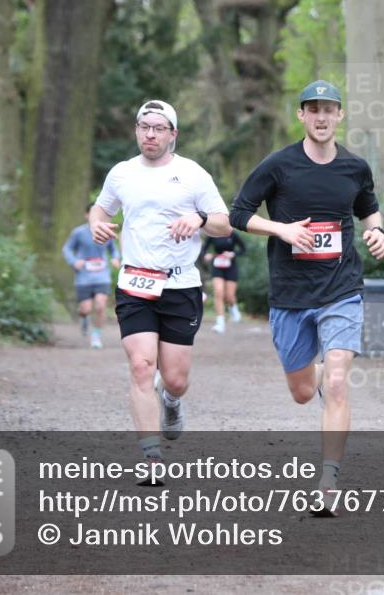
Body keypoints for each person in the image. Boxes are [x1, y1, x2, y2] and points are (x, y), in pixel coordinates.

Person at [229, 80, 384, 516]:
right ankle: (312, 374)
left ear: (339, 115)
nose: (321, 117)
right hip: (291, 295)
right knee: (303, 392)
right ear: (300, 115)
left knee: (336, 380)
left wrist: (377, 232)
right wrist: (282, 229)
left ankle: (328, 481)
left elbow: (368, 208)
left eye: (329, 109)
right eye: (313, 109)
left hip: (341, 289)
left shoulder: (354, 167)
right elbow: (238, 214)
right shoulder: (278, 165)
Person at [90, 99, 232, 479]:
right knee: (140, 366)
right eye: (143, 126)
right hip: (135, 283)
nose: (150, 134)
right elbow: (100, 209)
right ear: (136, 130)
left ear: (173, 134)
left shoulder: (193, 174)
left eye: (158, 128)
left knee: (175, 378)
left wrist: (199, 218)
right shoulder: (121, 173)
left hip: (180, 284)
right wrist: (96, 225)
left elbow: (224, 224)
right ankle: (152, 458)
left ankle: (171, 400)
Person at [62, 204, 121, 349]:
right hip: (84, 277)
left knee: (100, 306)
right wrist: (74, 261)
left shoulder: (106, 231)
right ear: (87, 215)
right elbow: (67, 249)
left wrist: (115, 258)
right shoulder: (78, 233)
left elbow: (114, 250)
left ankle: (96, 336)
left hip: (102, 276)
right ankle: (84, 318)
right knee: (85, 309)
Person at [202, 231, 247, 333]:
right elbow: (203, 250)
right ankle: (220, 323)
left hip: (231, 267)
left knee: (229, 296)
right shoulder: (212, 234)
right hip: (217, 266)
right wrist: (207, 255)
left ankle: (234, 309)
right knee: (219, 292)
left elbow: (244, 249)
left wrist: (233, 254)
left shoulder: (233, 234)